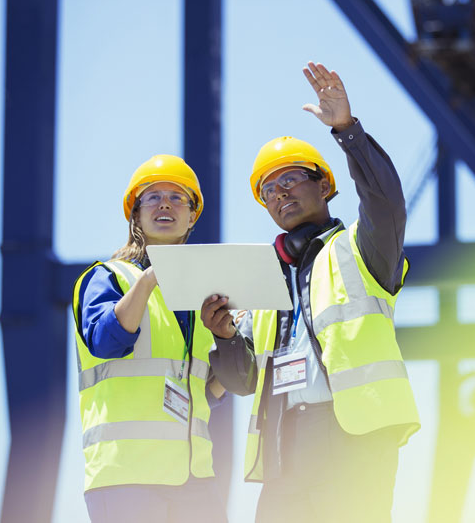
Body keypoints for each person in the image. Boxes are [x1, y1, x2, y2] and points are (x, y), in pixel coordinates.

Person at [200, 61, 421, 522]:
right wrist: (224, 337)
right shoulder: (262, 282)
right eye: (268, 191)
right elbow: (242, 382)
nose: (279, 194)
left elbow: (387, 202)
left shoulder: (363, 250)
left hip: (354, 436)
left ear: (323, 185)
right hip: (284, 445)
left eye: (289, 181)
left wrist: (347, 130)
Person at [71, 154, 227, 523]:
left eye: (177, 198)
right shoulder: (107, 278)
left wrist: (235, 348)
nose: (165, 204)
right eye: (152, 197)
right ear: (135, 214)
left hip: (195, 479)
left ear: (192, 216)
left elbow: (202, 391)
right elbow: (107, 342)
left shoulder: (202, 297)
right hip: (126, 477)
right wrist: (149, 279)